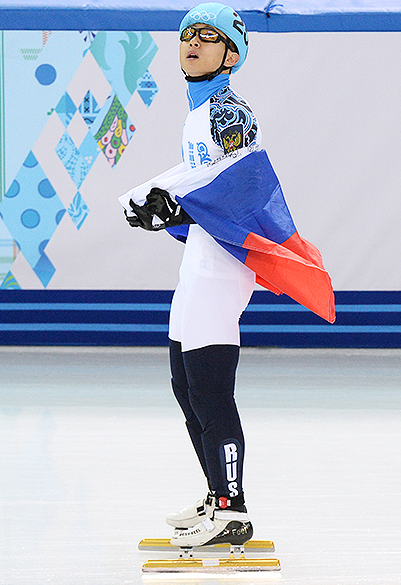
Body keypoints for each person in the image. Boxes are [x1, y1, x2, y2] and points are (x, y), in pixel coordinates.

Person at [121, 2, 286, 549]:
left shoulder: (228, 110)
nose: (192, 43)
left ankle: (232, 508)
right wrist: (151, 196)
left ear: (230, 54)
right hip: (202, 256)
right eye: (187, 35)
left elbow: (241, 183)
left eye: (207, 37)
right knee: (183, 381)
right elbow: (198, 174)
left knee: (210, 388)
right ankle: (215, 495)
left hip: (224, 260)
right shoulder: (200, 110)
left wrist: (176, 206)